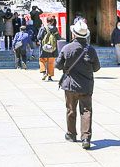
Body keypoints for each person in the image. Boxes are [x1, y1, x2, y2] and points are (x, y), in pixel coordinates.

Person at [55, 20, 100, 150]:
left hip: (70, 85)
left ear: (74, 34)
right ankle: (86, 137)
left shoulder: (66, 48)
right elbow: (96, 67)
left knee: (71, 110)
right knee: (86, 110)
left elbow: (57, 65)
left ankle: (71, 134)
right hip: (86, 85)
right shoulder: (90, 50)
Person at [38, 16, 60, 82]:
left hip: (44, 48)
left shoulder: (43, 28)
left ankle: (44, 72)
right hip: (52, 48)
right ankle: (50, 77)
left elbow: (39, 37)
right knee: (51, 62)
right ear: (53, 21)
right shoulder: (55, 28)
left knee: (42, 60)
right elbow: (58, 37)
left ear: (47, 21)